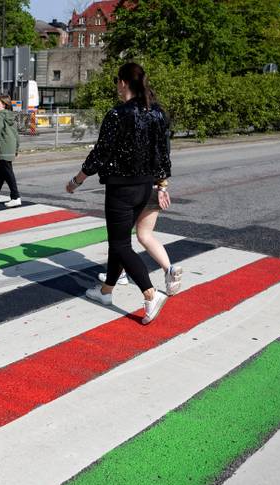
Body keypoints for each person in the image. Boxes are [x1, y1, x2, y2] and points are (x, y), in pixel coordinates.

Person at [66, 62, 173, 325]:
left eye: (117, 81)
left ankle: (150, 293)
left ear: (123, 82)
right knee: (120, 240)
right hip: (144, 186)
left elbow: (101, 153)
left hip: (121, 187)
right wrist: (161, 185)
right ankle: (105, 292)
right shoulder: (157, 113)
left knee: (120, 244)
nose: (116, 86)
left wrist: (78, 179)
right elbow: (163, 153)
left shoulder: (118, 114)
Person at [97, 184, 182, 296]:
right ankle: (169, 269)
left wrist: (75, 181)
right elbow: (163, 168)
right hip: (154, 189)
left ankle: (120, 275)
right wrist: (163, 188)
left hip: (131, 189)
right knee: (146, 235)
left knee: (120, 239)